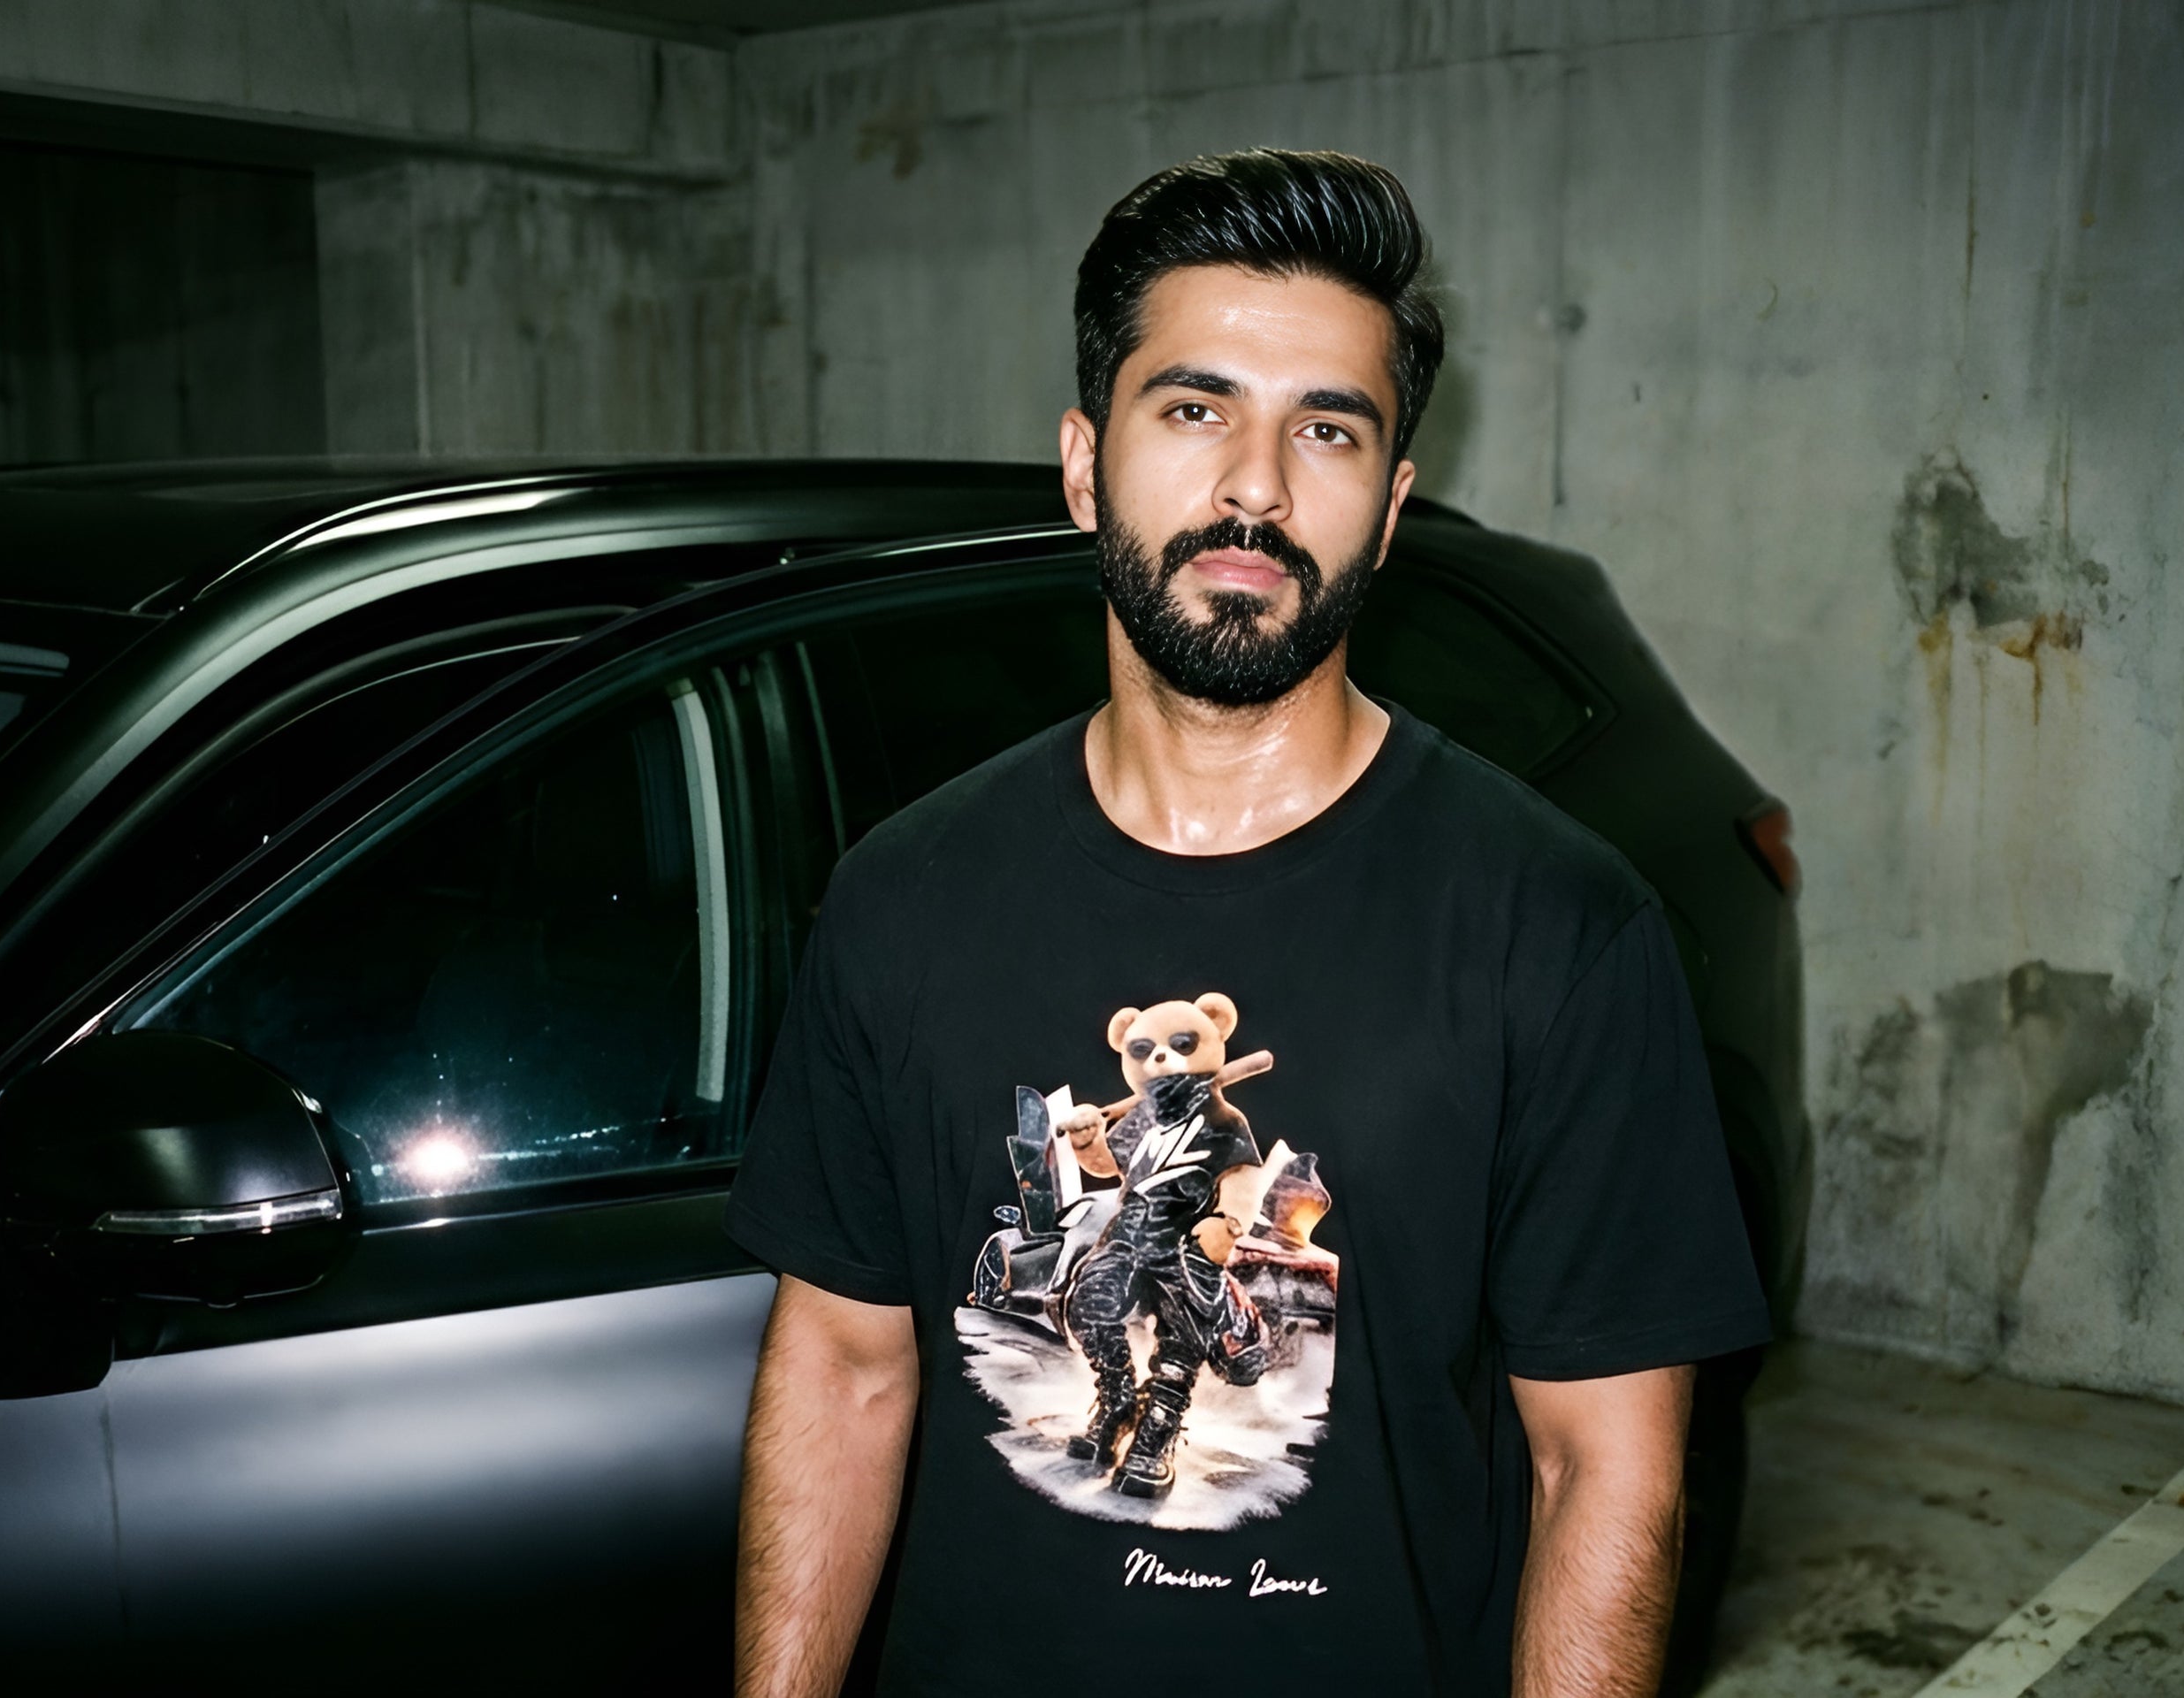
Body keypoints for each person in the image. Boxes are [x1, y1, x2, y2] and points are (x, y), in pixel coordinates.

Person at [727, 149, 1768, 1697]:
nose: (1258, 487)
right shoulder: (903, 895)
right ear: (1085, 464)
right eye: (1194, 409)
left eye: (1326, 429)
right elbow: (842, 1367)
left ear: (1390, 509)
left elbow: (1601, 1469)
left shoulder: (1558, 928)